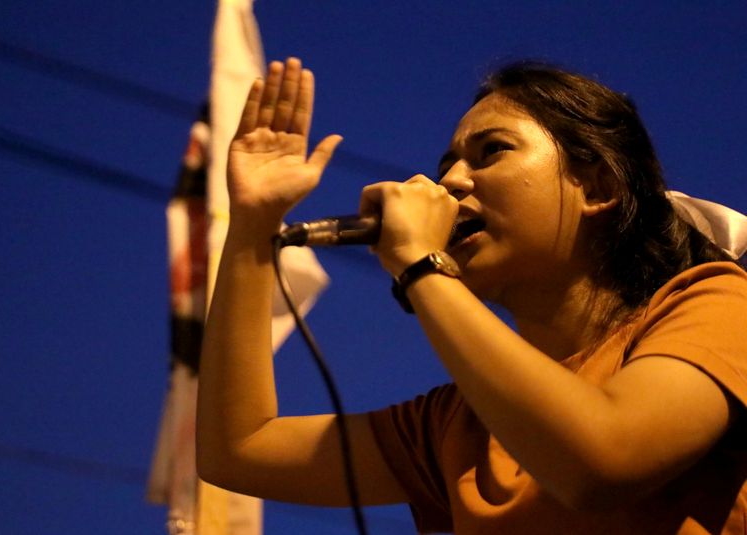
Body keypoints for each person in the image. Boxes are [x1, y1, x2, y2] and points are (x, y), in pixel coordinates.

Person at [195, 57, 747, 533]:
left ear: (597, 187)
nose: (451, 183)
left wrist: (420, 264)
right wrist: (253, 223)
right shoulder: (459, 424)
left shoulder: (718, 304)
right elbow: (239, 451)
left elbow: (604, 459)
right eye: (448, 166)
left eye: (491, 152)